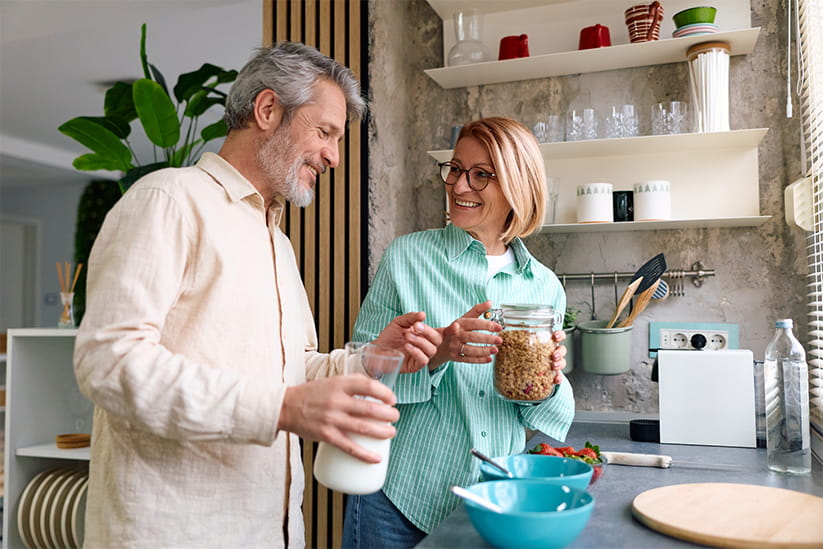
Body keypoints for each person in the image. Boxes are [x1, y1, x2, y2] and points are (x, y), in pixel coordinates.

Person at [72, 41, 442, 548]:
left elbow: (293, 371)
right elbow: (109, 361)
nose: (334, 155)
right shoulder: (167, 201)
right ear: (268, 110)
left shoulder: (279, 243)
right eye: (325, 132)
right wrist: (281, 410)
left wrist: (371, 361)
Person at [342, 117, 575, 548]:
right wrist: (437, 353)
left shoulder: (545, 288)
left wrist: (547, 380)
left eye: (481, 175)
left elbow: (539, 413)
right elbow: (361, 378)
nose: (459, 186)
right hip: (398, 496)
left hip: (493, 501)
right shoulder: (407, 258)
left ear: (517, 187)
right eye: (455, 169)